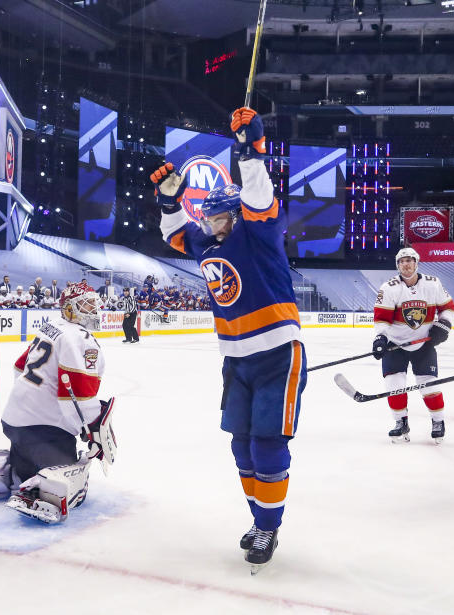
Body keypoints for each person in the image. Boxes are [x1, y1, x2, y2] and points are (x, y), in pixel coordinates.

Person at [149, 106, 306, 572]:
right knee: (241, 445)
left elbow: (260, 197)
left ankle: (268, 525)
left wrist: (251, 151)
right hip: (235, 359)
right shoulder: (208, 242)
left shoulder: (258, 232)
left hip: (278, 352)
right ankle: (261, 518)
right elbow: (174, 233)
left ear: (233, 217)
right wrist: (167, 199)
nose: (206, 226)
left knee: (266, 444)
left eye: (214, 218)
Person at [0, 282, 116, 523]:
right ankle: (34, 493)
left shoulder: (51, 326)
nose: (94, 309)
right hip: (43, 431)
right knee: (74, 484)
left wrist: (31, 401)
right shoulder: (81, 338)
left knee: (26, 465)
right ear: (70, 309)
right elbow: (79, 397)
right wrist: (92, 431)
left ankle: (14, 475)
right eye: (87, 304)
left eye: (94, 303)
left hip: (13, 422)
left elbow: (18, 367)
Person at [372, 247, 454, 443]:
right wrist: (380, 338)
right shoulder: (389, 287)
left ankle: (438, 421)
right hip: (396, 344)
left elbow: (448, 308)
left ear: (416, 263)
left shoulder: (433, 284)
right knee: (394, 385)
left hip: (424, 344)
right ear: (397, 265)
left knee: (428, 385)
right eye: (402, 261)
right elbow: (381, 318)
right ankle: (401, 422)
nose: (406, 264)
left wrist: (444, 324)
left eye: (410, 260)